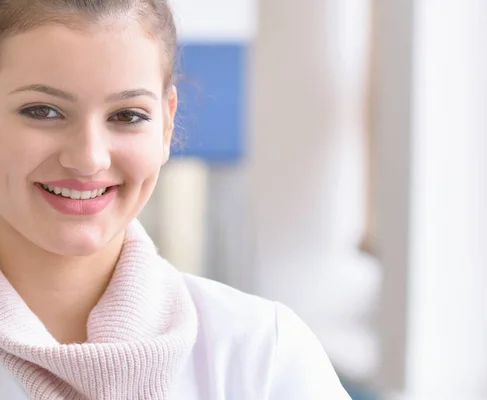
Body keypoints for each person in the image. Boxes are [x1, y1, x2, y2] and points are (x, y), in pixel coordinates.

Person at [0, 1, 351, 399]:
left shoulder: (261, 353)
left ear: (167, 125)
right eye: (43, 111)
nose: (89, 158)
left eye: (127, 116)